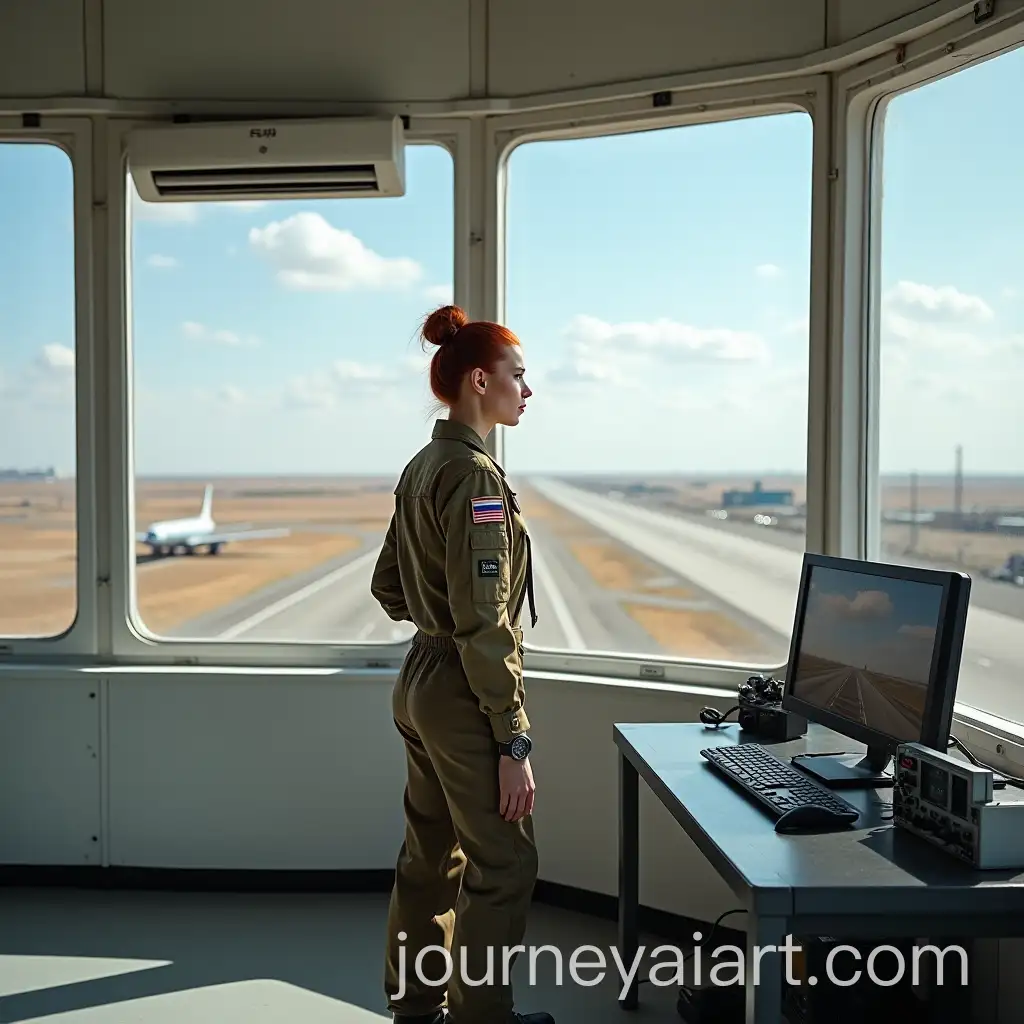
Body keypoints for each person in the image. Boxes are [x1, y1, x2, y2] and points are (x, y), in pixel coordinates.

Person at [370, 305, 552, 1024]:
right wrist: (512, 738)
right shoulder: (476, 478)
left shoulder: (422, 466)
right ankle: (482, 1016)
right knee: (503, 864)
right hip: (461, 690)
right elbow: (484, 622)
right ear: (480, 381)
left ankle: (415, 1008)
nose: (527, 392)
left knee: (429, 858)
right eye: (518, 376)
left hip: (418, 680)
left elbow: (389, 588)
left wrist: (431, 615)